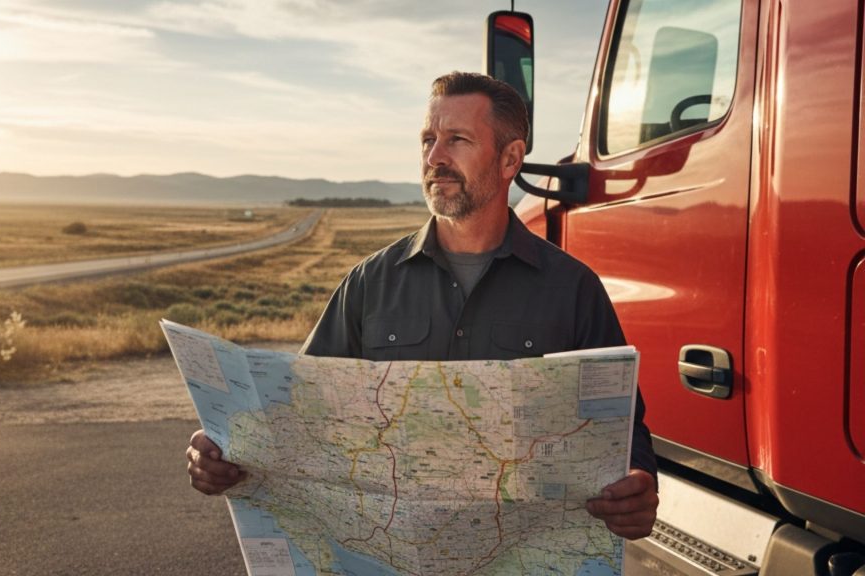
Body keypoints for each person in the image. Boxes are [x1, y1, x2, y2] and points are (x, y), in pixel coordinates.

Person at [187, 71, 658, 540]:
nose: (435, 157)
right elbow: (297, 411)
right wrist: (227, 453)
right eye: (428, 139)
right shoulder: (370, 283)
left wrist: (638, 485)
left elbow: (619, 431)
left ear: (510, 158)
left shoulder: (573, 290)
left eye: (457, 139)